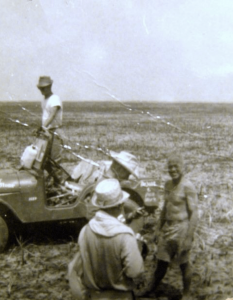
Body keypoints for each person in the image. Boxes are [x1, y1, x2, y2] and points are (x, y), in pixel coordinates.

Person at [69, 178, 144, 300]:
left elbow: (78, 267)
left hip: (94, 295)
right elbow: (134, 272)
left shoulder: (85, 230)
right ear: (121, 205)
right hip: (120, 296)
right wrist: (138, 247)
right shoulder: (125, 235)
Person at [146, 153, 198, 300]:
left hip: (182, 229)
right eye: (170, 167)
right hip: (168, 228)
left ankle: (186, 294)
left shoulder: (188, 186)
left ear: (183, 168)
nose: (173, 169)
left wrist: (189, 237)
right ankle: (151, 288)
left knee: (184, 263)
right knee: (161, 261)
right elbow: (165, 208)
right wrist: (158, 229)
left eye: (176, 166)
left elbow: (194, 213)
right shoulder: (168, 184)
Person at [37, 76, 64, 183]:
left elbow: (52, 115)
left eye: (44, 88)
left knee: (55, 160)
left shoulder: (54, 99)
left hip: (54, 132)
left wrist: (43, 127)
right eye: (40, 88)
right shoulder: (45, 100)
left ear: (49, 87)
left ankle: (61, 184)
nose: (41, 91)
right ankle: (53, 182)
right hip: (47, 132)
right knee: (44, 160)